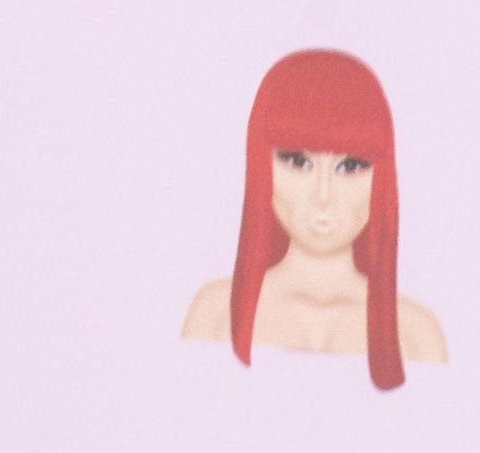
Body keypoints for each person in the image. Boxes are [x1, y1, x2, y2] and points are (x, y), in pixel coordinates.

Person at [183, 49, 446, 380]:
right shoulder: (215, 315)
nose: (323, 195)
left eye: (351, 166)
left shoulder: (415, 335)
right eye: (297, 162)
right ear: (259, 163)